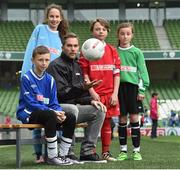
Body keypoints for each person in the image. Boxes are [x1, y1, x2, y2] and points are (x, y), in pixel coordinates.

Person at [47, 32, 107, 163]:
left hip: (73, 108)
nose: (73, 49)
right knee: (73, 109)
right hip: (56, 109)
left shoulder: (78, 65)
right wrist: (82, 88)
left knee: (100, 110)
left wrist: (91, 100)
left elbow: (80, 96)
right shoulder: (55, 65)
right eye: (69, 45)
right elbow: (61, 94)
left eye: (75, 46)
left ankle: (87, 151)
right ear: (63, 47)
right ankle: (68, 151)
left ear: (79, 48)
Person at [20, 3, 69, 163]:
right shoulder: (39, 29)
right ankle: (39, 154)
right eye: (51, 16)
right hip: (37, 77)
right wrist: (27, 73)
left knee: (56, 114)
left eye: (57, 16)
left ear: (61, 19)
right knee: (40, 112)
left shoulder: (62, 36)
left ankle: (55, 153)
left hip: (54, 81)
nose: (54, 19)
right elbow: (30, 51)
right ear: (47, 17)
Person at [16, 46, 76, 165]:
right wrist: (53, 112)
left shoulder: (50, 80)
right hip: (29, 113)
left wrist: (59, 112)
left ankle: (63, 155)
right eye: (40, 60)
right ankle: (52, 157)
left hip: (48, 113)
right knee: (49, 114)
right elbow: (31, 103)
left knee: (70, 117)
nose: (44, 63)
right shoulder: (26, 78)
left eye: (47, 60)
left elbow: (54, 103)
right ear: (33, 60)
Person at [79, 18, 121, 161]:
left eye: (103, 29)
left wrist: (115, 93)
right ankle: (90, 151)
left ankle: (106, 152)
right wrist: (92, 92)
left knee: (107, 122)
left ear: (107, 31)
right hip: (95, 94)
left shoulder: (112, 50)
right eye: (97, 29)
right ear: (92, 31)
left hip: (109, 93)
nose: (100, 31)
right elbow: (84, 73)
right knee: (93, 123)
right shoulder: (86, 48)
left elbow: (116, 73)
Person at [116, 22, 150, 161]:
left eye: (128, 34)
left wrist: (142, 89)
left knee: (135, 118)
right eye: (122, 33)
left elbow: (143, 72)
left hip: (133, 89)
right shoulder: (114, 51)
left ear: (132, 35)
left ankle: (136, 151)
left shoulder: (137, 52)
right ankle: (123, 151)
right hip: (118, 88)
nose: (125, 36)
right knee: (122, 119)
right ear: (118, 35)